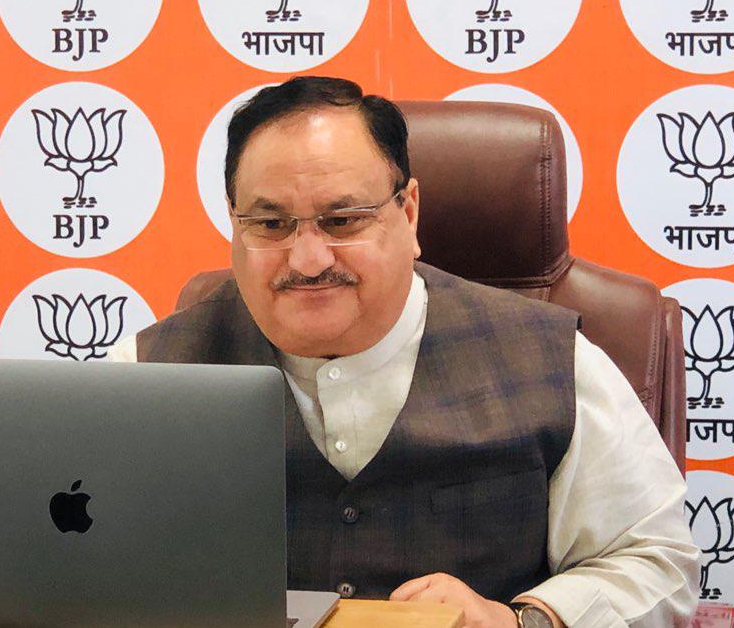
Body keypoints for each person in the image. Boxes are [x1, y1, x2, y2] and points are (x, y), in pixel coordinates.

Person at [106, 76, 700, 628]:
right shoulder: (150, 373)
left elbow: (656, 562)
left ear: (409, 212)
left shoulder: (554, 362)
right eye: (270, 225)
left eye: (343, 219)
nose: (308, 259)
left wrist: (520, 621)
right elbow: (76, 565)